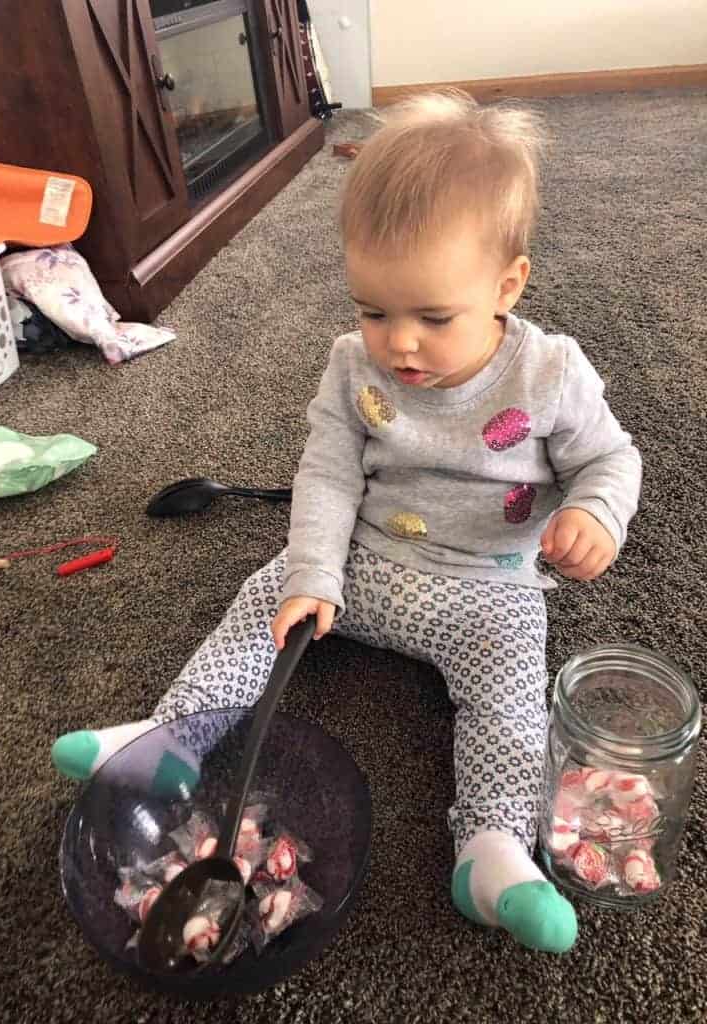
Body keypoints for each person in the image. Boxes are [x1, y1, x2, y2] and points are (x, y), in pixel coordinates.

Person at [52, 90, 642, 954]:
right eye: (372, 309)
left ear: (507, 284)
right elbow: (325, 473)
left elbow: (612, 459)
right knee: (263, 600)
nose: (398, 344)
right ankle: (173, 736)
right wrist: (313, 575)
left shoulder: (551, 374)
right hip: (362, 570)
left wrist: (596, 510)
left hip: (489, 591)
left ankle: (491, 850)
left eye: (432, 317)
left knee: (515, 702)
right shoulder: (350, 365)